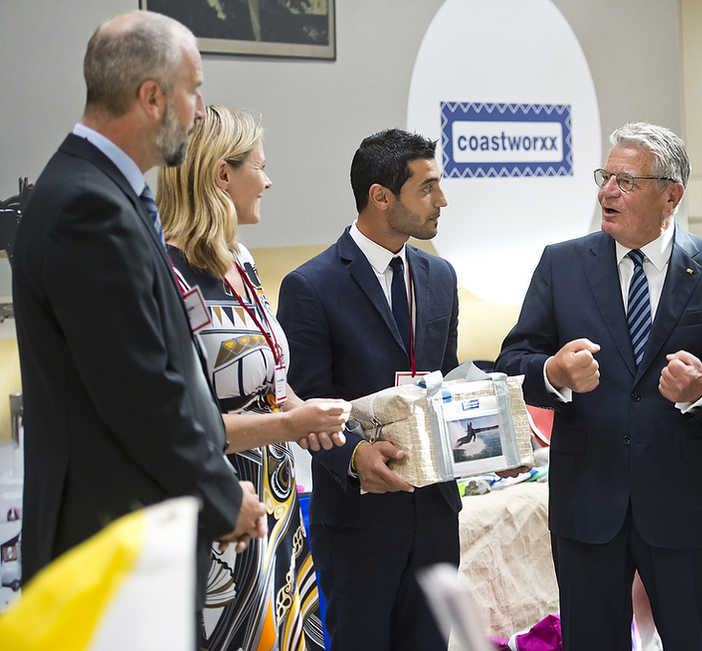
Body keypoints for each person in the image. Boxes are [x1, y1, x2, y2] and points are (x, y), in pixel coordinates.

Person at [11, 10, 266, 604]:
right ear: (152, 97)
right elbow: (139, 388)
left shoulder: (105, 190)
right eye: (193, 90)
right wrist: (222, 495)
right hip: (107, 542)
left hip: (130, 530)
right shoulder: (87, 206)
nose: (200, 109)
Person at [495, 122, 702, 651]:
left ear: (672, 194)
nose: (606, 191)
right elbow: (514, 362)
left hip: (686, 510)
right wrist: (553, 374)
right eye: (605, 177)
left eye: (625, 181)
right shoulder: (562, 263)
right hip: (588, 508)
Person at [156, 105, 352, 651]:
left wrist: (311, 414)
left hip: (279, 501)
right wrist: (291, 425)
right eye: (258, 167)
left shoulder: (238, 259)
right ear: (222, 174)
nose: (268, 180)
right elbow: (187, 425)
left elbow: (271, 382)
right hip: (220, 506)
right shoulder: (165, 276)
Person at [277, 128, 461, 651]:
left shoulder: (440, 275)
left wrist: (488, 437)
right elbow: (303, 400)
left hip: (435, 517)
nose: (441, 201)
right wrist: (355, 455)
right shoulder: (310, 286)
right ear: (380, 196)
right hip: (358, 523)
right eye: (427, 188)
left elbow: (440, 379)